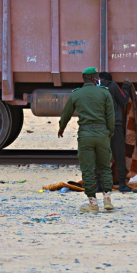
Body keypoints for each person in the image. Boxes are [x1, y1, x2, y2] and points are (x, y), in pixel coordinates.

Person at [58, 67, 116, 213]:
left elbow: (66, 113)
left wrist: (61, 128)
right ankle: (107, 199)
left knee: (88, 169)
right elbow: (111, 116)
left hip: (85, 134)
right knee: (104, 167)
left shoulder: (76, 94)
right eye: (97, 76)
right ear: (94, 78)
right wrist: (110, 132)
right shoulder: (104, 92)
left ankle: (93, 203)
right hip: (102, 133)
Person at [96, 72, 137, 193]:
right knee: (119, 154)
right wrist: (125, 86)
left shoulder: (92, 87)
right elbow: (124, 100)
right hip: (115, 124)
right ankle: (122, 184)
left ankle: (99, 185)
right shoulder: (112, 85)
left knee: (98, 155)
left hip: (99, 126)